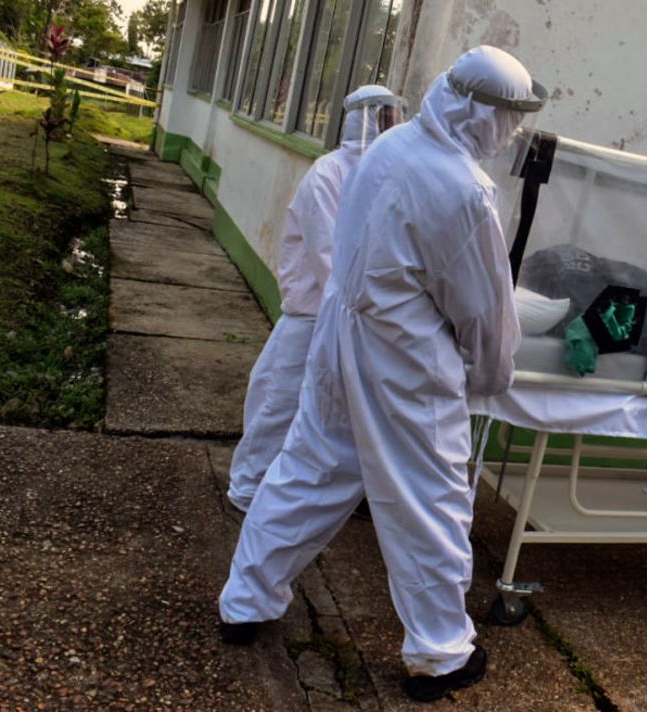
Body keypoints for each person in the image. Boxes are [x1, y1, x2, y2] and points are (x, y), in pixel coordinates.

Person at [218, 46, 548, 701]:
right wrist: (490, 375)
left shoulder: (390, 148)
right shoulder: (463, 190)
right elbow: (483, 307)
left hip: (342, 341)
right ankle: (439, 652)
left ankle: (244, 603)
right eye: (508, 117)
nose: (510, 133)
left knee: (307, 472)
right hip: (405, 365)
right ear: (477, 110)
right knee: (428, 504)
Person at [227, 85, 406, 513]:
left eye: (392, 117)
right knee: (278, 400)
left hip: (361, 316)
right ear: (361, 119)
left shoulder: (389, 176)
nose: (388, 126)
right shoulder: (328, 175)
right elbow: (331, 257)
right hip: (314, 315)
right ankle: (248, 487)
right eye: (381, 117)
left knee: (342, 412)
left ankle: (325, 493)